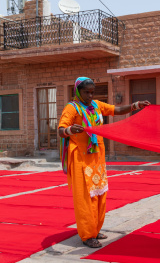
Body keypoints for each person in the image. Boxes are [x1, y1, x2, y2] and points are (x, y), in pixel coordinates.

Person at [58, 77, 150, 248]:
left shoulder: (96, 106)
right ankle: (87, 235)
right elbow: (61, 129)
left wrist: (135, 106)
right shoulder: (72, 108)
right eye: (87, 92)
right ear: (78, 91)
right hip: (80, 158)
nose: (90, 95)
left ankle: (95, 229)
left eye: (92, 92)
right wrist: (70, 130)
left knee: (99, 194)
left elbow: (116, 110)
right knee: (85, 197)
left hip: (97, 157)